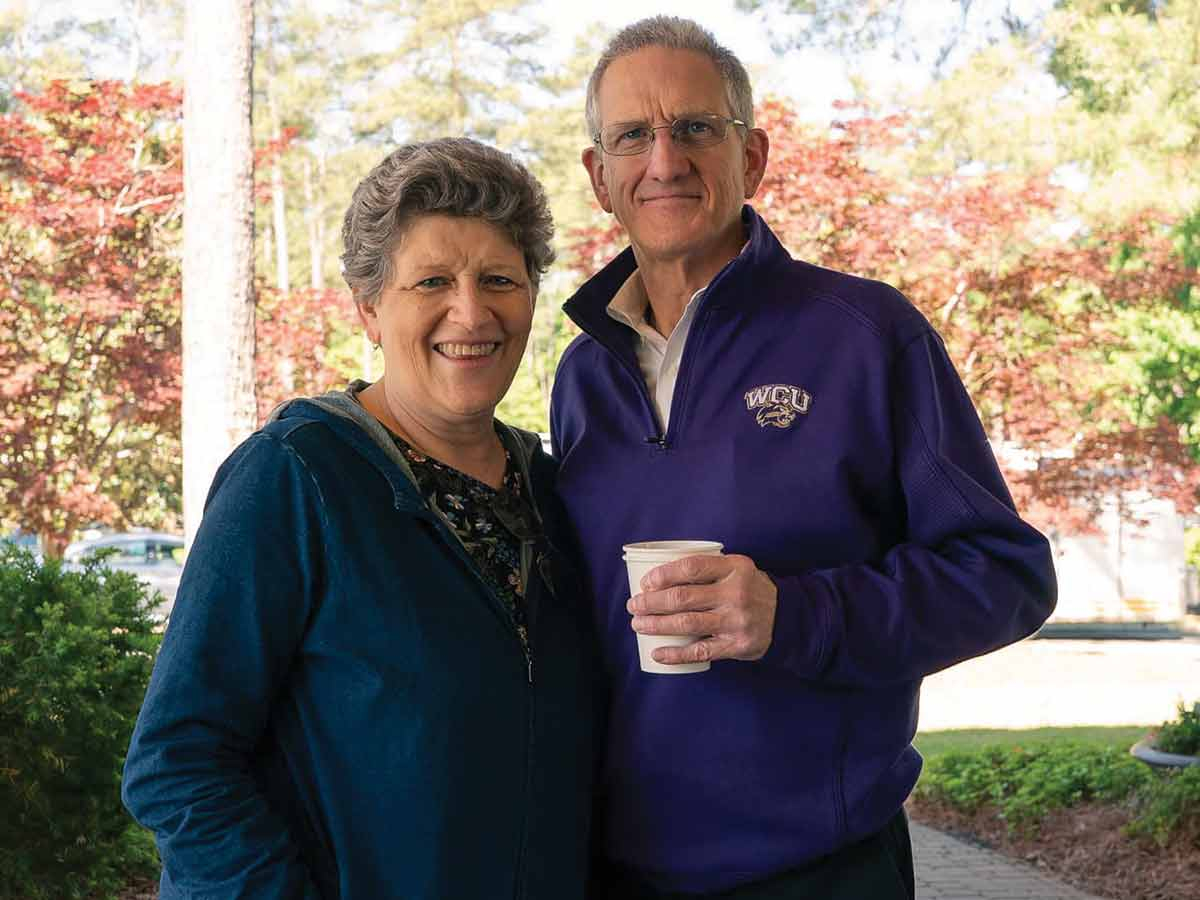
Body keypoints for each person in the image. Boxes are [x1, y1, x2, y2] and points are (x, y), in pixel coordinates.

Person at [549, 16, 1057, 900]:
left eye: (697, 128)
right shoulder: (582, 374)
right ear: (600, 177)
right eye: (632, 135)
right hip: (620, 868)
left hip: (820, 870)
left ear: (754, 157)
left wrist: (796, 614)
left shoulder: (865, 334)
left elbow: (1006, 575)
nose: (664, 160)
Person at [122, 137, 598, 899]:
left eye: (500, 279)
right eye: (433, 281)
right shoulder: (297, 476)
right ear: (371, 308)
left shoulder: (549, 490)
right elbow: (178, 760)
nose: (470, 312)